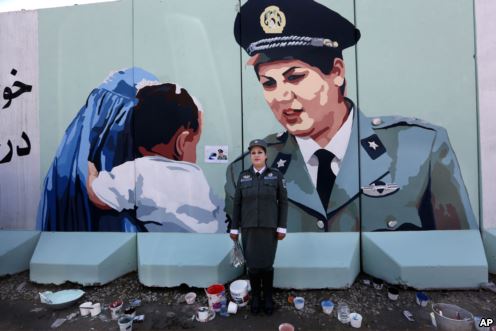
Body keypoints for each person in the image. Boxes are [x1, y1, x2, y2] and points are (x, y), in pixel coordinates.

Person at [225, 0, 477, 232]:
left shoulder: (420, 151)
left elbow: (461, 257)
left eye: (295, 77)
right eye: (268, 83)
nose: (280, 96)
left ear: (336, 72)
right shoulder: (247, 170)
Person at [86, 83, 225, 233]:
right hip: (207, 240)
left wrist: (92, 175)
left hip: (169, 245)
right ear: (181, 143)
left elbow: (98, 196)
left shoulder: (137, 170)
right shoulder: (197, 175)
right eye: (195, 143)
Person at [229, 139, 288, 315]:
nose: (256, 155)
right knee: (252, 265)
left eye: (259, 152)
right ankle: (255, 298)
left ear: (266, 155)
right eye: (253, 153)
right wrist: (234, 227)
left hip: (270, 228)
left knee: (267, 264)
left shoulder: (276, 175)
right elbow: (237, 203)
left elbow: (283, 203)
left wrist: (282, 226)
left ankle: (268, 298)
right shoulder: (243, 176)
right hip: (249, 227)